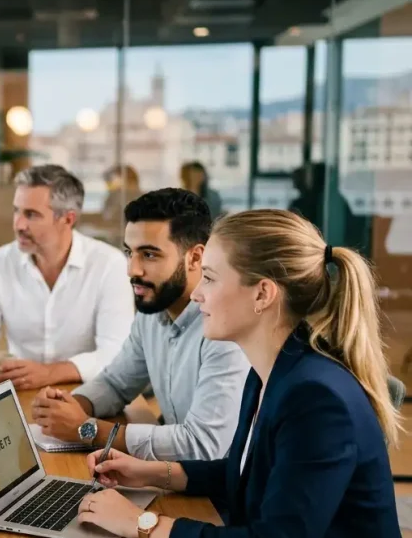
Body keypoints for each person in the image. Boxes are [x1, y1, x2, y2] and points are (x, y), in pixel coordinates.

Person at [75, 209, 401, 538]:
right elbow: (246, 471)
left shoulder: (315, 398)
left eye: (211, 278)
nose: (197, 293)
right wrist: (151, 473)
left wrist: (141, 524)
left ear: (262, 294)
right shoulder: (271, 370)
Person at [31, 189, 248, 461]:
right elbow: (116, 383)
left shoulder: (225, 329)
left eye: (149, 255)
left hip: (220, 495)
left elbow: (203, 446)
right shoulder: (153, 312)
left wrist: (85, 429)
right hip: (175, 475)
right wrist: (71, 405)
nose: (132, 270)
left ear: (195, 258)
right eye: (129, 253)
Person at [0, 164, 134, 389]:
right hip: (19, 394)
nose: (18, 224)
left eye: (31, 215)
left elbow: (117, 354)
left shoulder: (109, 265)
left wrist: (50, 373)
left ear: (68, 219)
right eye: (16, 210)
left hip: (89, 395)